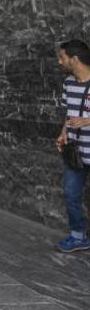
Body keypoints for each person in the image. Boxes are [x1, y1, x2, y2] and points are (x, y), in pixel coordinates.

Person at [55, 40, 90, 252]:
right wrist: (63, 133)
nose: (60, 62)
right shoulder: (69, 82)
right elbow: (68, 114)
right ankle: (78, 236)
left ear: (74, 59)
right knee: (70, 194)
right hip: (76, 151)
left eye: (62, 57)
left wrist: (87, 121)